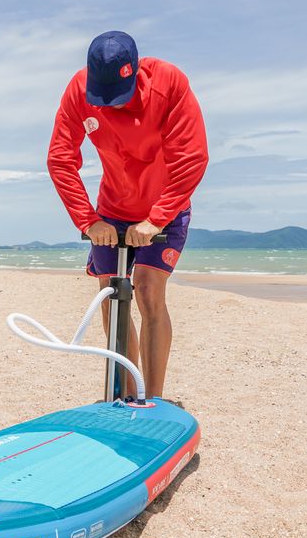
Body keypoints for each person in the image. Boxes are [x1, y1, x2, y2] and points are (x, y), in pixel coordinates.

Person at [47, 31, 208, 398]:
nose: (112, 106)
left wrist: (157, 218)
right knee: (112, 296)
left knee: (149, 292)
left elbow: (192, 158)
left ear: (135, 72)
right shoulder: (77, 90)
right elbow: (60, 159)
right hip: (112, 210)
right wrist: (88, 220)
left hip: (165, 209)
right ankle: (126, 395)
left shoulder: (169, 83)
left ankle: (153, 399)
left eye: (118, 97)